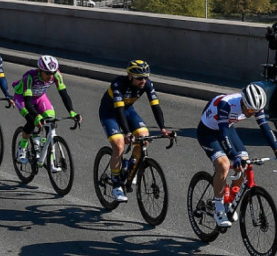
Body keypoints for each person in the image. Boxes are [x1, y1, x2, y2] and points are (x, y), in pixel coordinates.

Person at [196, 84, 277, 227]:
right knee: (224, 165)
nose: (252, 113)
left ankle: (230, 199)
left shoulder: (253, 105)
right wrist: (234, 155)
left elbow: (265, 128)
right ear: (243, 102)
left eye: (256, 110)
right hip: (208, 132)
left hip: (227, 127)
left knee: (245, 164)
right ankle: (219, 209)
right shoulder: (226, 104)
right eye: (250, 109)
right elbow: (223, 133)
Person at [98, 60, 173, 202]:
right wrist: (127, 133)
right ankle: (116, 185)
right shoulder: (118, 84)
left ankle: (130, 167)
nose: (143, 81)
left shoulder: (147, 84)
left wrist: (163, 128)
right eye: (139, 78)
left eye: (145, 77)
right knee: (119, 145)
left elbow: (155, 106)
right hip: (110, 113)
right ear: (130, 76)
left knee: (145, 138)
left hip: (127, 111)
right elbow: (118, 111)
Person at [10, 55, 80, 163]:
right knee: (31, 120)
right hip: (22, 98)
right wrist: (36, 116)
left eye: (52, 72)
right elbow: (28, 103)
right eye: (47, 73)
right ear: (40, 70)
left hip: (39, 97)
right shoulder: (29, 77)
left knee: (50, 119)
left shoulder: (57, 75)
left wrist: (72, 111)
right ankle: (22, 148)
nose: (50, 76)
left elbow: (64, 94)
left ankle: (47, 147)